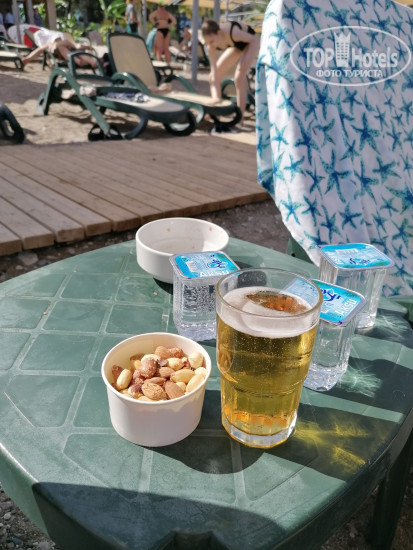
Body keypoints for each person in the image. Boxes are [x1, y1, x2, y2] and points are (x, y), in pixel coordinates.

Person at [201, 19, 260, 127]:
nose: (210, 45)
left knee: (239, 76)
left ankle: (240, 118)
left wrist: (244, 64)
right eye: (207, 42)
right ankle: (216, 113)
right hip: (236, 45)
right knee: (212, 76)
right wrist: (216, 98)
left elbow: (254, 40)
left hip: (251, 40)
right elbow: (214, 74)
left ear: (218, 33)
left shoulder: (233, 32)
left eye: (212, 41)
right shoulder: (211, 46)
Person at [22, 33, 98, 68]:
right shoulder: (54, 44)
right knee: (63, 48)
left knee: (77, 51)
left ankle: (92, 62)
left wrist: (28, 59)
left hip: (67, 51)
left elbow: (39, 50)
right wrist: (89, 47)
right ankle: (90, 62)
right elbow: (39, 50)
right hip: (63, 51)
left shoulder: (61, 43)